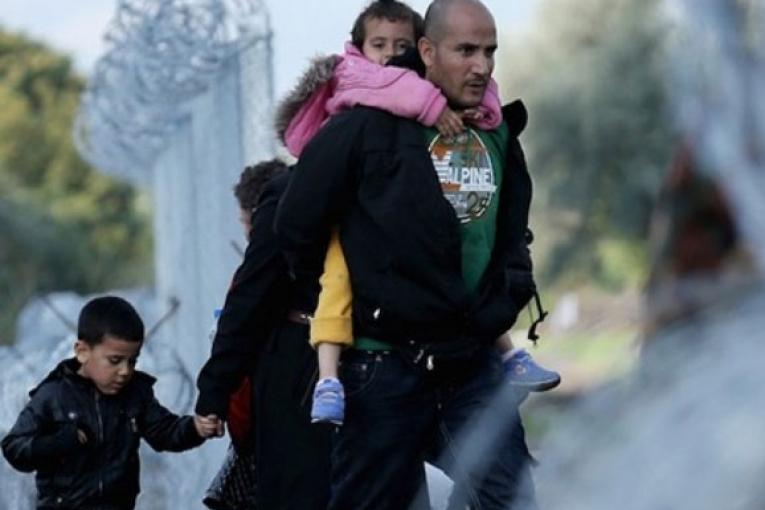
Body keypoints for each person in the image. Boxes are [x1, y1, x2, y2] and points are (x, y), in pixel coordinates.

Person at [275, 0, 543, 507]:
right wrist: (354, 302)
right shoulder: (365, 125)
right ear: (427, 50)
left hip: (471, 363)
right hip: (383, 366)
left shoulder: (496, 130)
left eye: (489, 51)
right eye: (465, 50)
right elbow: (296, 220)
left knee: (512, 498)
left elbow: (511, 233)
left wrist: (504, 297)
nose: (481, 66)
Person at [195, 159, 331, 510]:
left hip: (289, 389)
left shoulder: (272, 246)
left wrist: (214, 395)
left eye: (246, 224)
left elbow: (243, 318)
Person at [1, 295, 219, 510]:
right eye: (114, 361)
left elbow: (165, 431)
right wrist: (60, 441)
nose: (125, 371)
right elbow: (14, 447)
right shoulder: (54, 395)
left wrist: (195, 428)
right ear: (83, 352)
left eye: (132, 361)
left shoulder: (135, 394)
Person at [202, 164, 273, 510]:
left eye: (245, 221)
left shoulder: (251, 276)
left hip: (267, 429)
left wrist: (236, 427)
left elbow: (237, 352)